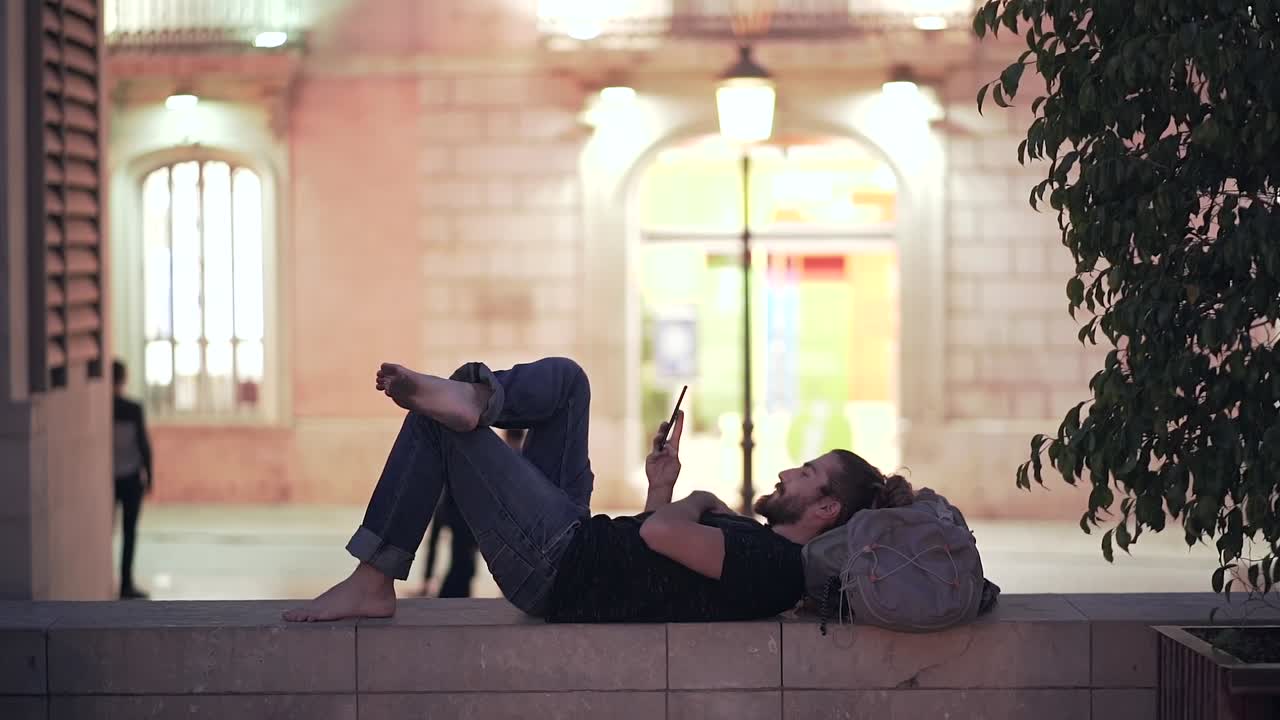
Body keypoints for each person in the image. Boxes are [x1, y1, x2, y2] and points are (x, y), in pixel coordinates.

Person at [283, 356, 914, 623]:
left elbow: (662, 535)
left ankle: (374, 577)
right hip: (578, 539)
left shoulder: (776, 565)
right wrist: (663, 485)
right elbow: (656, 554)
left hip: (556, 567)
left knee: (440, 430)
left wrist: (701, 502)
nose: (786, 473)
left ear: (826, 509)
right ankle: (478, 395)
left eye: (804, 475)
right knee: (567, 382)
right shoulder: (760, 549)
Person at [419, 430, 522, 598]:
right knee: (463, 565)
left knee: (462, 564)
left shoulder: (477, 454)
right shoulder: (504, 459)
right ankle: (443, 594)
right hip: (459, 512)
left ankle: (436, 588)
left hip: (454, 510)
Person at [112, 359, 154, 600]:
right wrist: (150, 475)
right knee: (129, 532)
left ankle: (123, 582)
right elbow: (144, 445)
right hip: (130, 478)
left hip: (110, 479)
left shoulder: (105, 410)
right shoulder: (132, 408)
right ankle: (125, 584)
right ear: (124, 378)